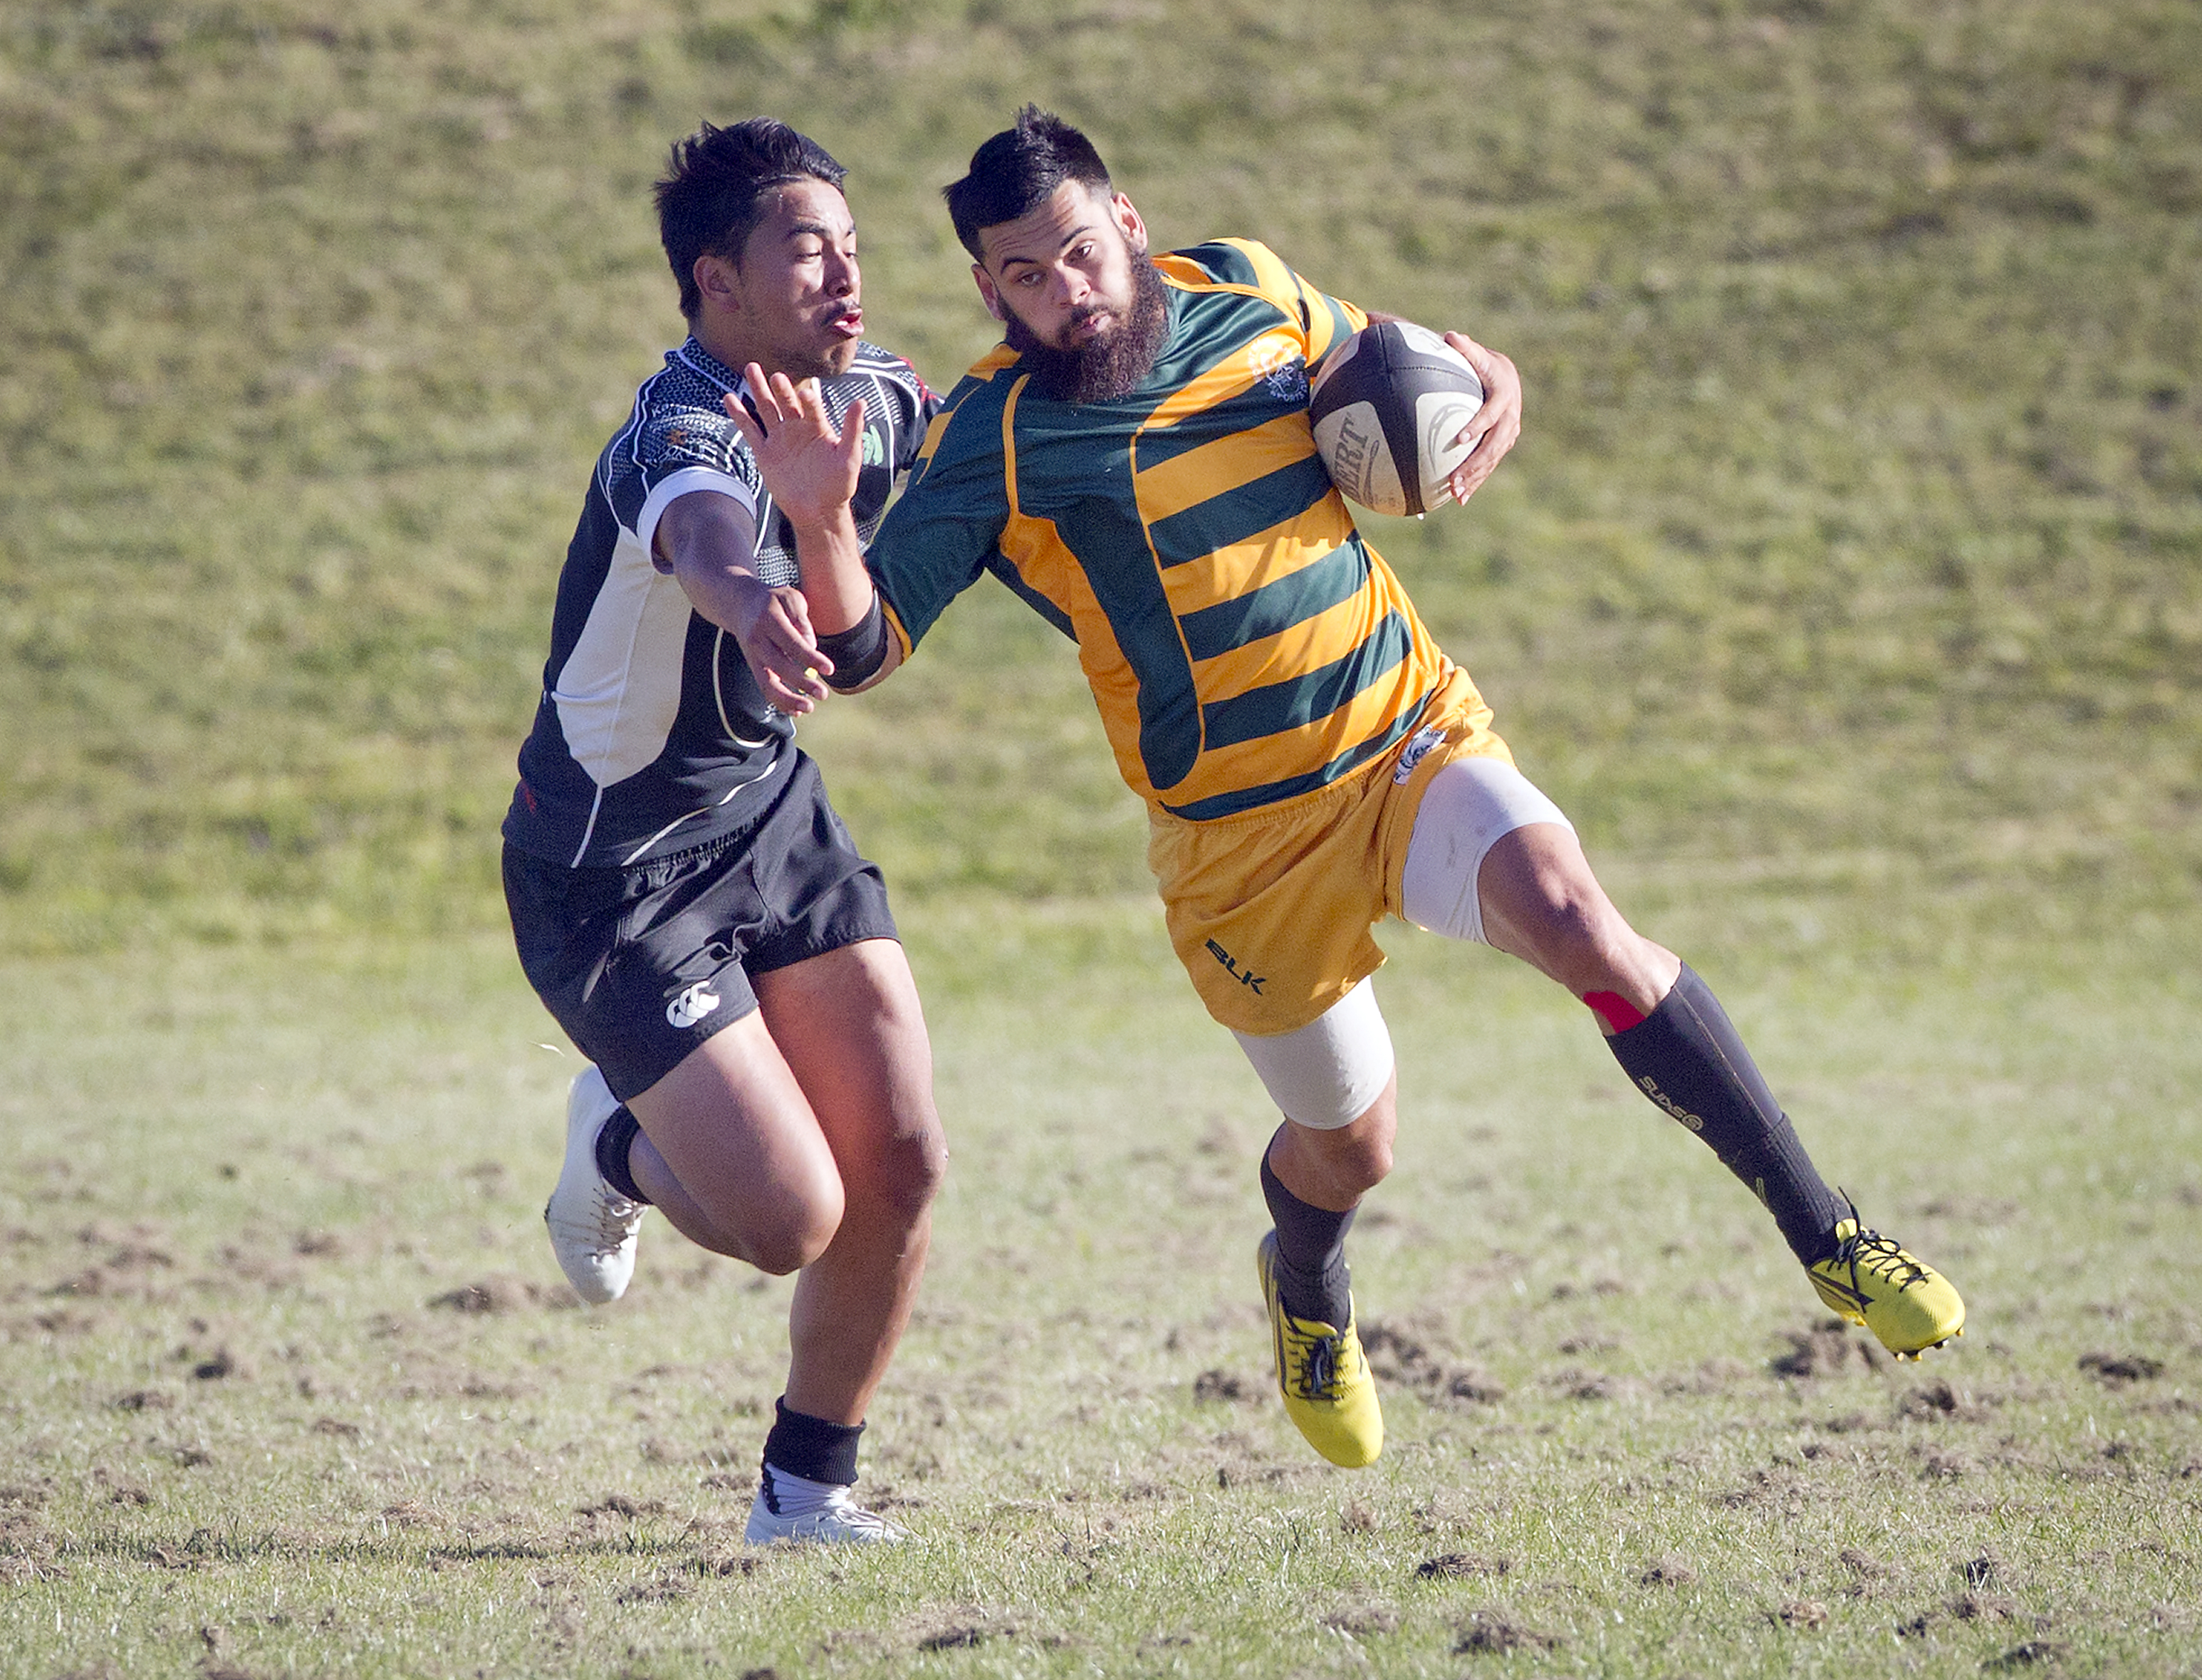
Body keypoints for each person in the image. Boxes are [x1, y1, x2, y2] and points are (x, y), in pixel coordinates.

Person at [734, 105, 1963, 1473]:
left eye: (1079, 255)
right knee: (1350, 1147)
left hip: (1403, 734)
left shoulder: (1250, 289)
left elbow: (1403, 376)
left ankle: (1827, 1233)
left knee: (1577, 920)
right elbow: (859, 652)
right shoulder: (995, 436)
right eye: (1023, 278)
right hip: (1242, 852)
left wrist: (1492, 389)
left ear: (1126, 224)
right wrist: (822, 523)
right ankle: (1305, 1282)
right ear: (986, 288)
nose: (1064, 298)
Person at [500, 118, 946, 1541]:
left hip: (765, 815)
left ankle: (806, 1494)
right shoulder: (677, 429)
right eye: (805, 248)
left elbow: (1002, 425)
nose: (843, 273)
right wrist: (755, 599)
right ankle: (620, 1142)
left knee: (905, 1160)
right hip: (608, 877)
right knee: (790, 1220)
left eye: (853, 246)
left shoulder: (873, 399)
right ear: (719, 282)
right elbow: (700, 530)